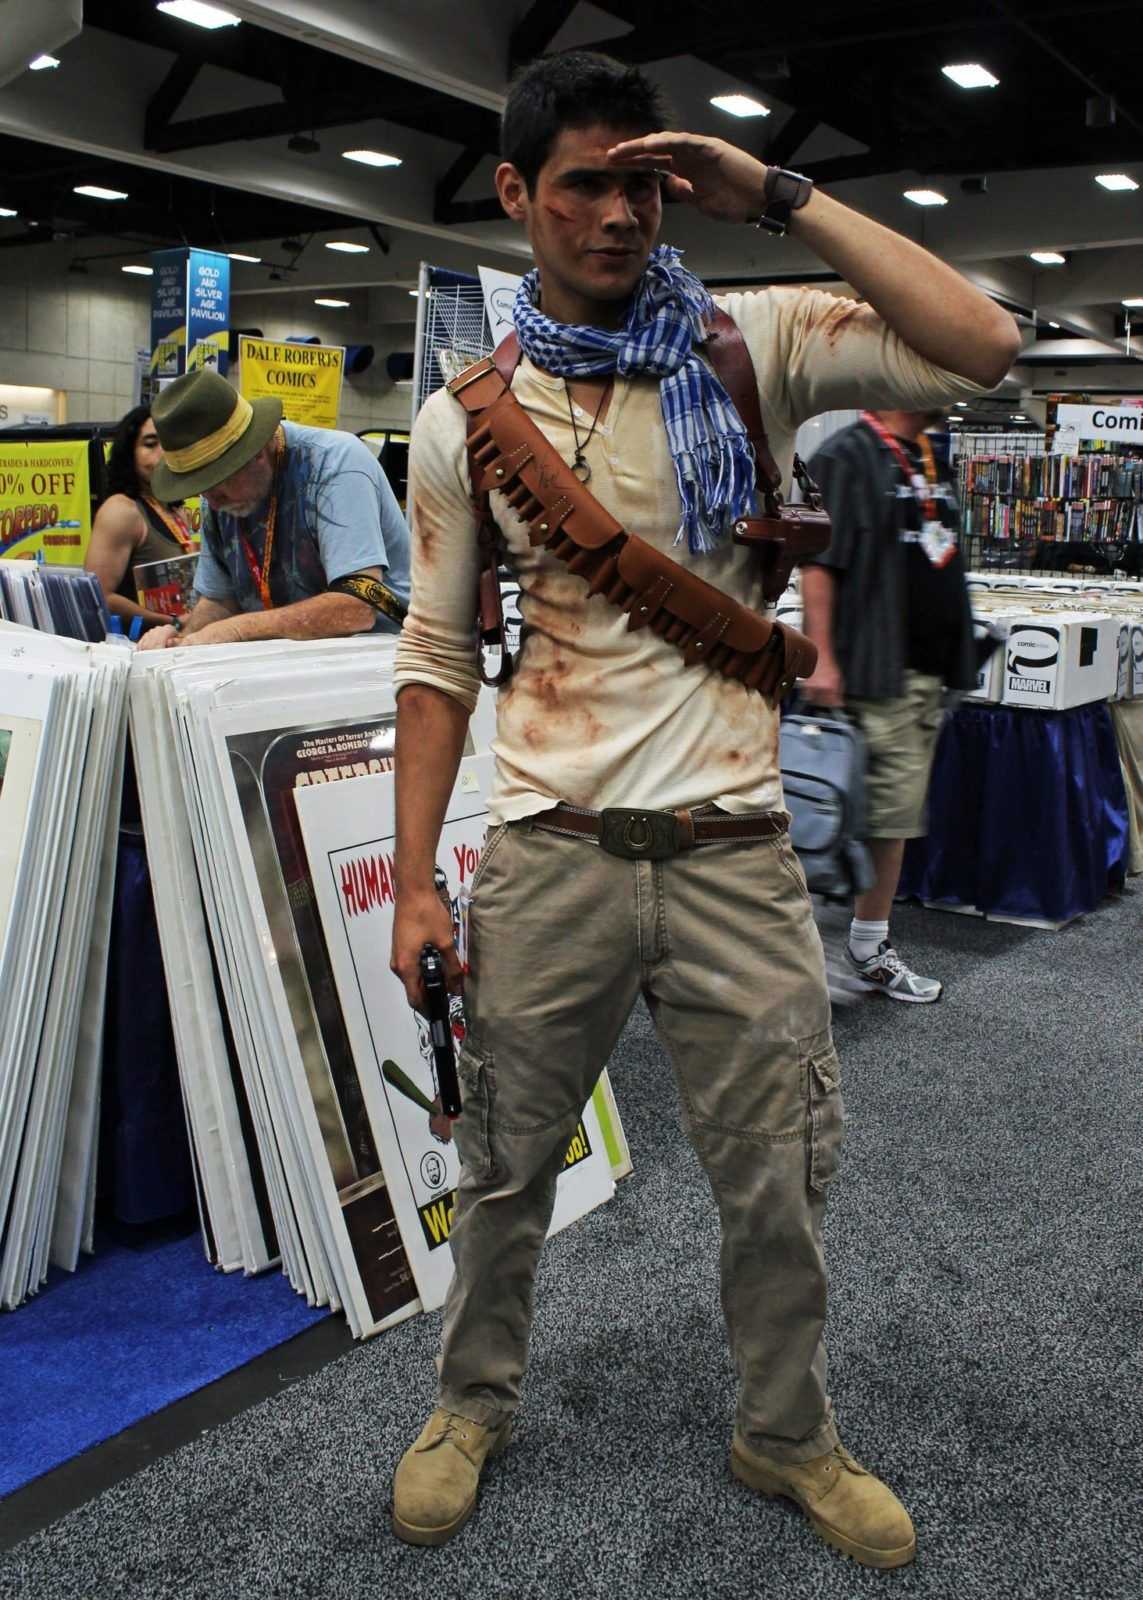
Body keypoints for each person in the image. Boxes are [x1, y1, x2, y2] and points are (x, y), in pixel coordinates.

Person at [389, 50, 1018, 1568]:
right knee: (503, 1163)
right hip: (548, 849)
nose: (618, 215)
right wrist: (411, 879)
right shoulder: (467, 417)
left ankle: (784, 1430)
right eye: (583, 186)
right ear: (517, 194)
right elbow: (436, 657)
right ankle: (468, 1403)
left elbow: (981, 346)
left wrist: (777, 192)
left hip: (734, 849)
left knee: (778, 1175)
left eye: (642, 186)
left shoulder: (756, 344)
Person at [801, 410, 978, 1002]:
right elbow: (819, 562)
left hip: (921, 677)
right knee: (836, 816)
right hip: (870, 671)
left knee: (893, 819)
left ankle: (866, 947)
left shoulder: (930, 453)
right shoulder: (846, 455)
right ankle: (811, 949)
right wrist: (821, 657)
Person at [136, 369, 410, 650]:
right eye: (201, 489)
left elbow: (357, 606)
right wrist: (179, 639)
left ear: (255, 452)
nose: (213, 502)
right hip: (290, 658)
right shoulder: (219, 499)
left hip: (380, 655)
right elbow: (221, 601)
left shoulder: (336, 465)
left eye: (217, 484)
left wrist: (237, 629)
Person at [85, 405, 196, 629]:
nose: (162, 453)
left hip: (180, 639)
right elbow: (97, 595)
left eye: (168, 443)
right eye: (150, 444)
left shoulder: (175, 510)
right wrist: (172, 623)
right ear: (129, 454)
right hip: (137, 644)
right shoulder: (121, 511)